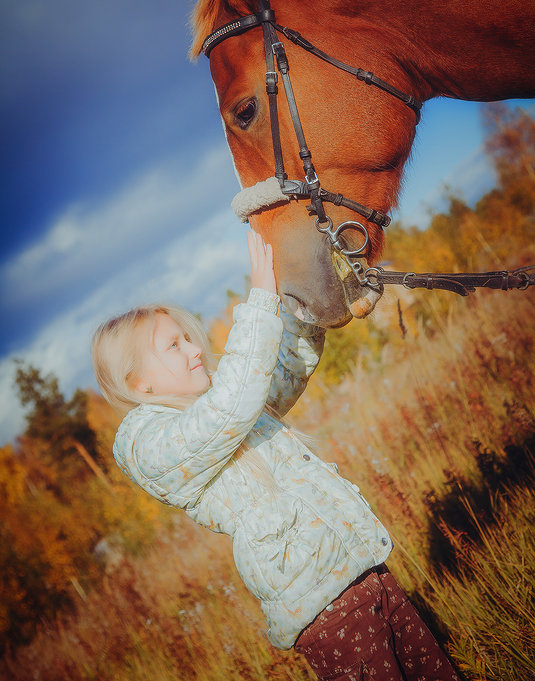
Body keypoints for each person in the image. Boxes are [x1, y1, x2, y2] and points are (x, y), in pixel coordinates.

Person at [92, 230, 461, 681]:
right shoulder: (148, 445)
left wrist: (315, 291)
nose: (194, 350)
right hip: (325, 611)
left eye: (189, 339)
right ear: (137, 384)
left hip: (366, 571)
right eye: (174, 346)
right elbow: (233, 403)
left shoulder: (228, 404)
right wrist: (261, 298)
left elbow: (285, 363)